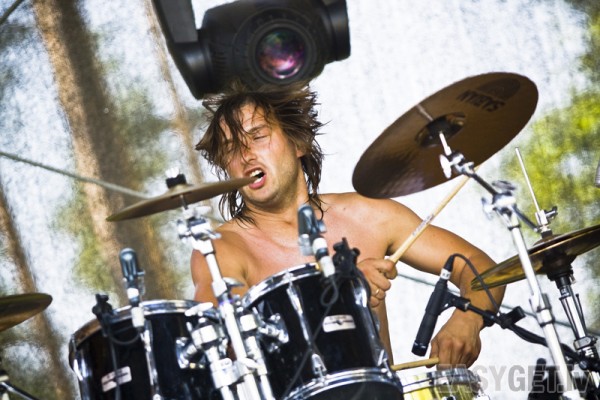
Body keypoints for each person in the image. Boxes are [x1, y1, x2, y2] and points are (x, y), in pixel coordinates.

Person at [191, 81, 505, 368]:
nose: (245, 155)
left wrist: (468, 319)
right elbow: (220, 338)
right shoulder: (219, 249)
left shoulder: (368, 215)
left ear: (298, 143)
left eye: (258, 136)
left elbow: (479, 265)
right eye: (231, 148)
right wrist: (344, 291)